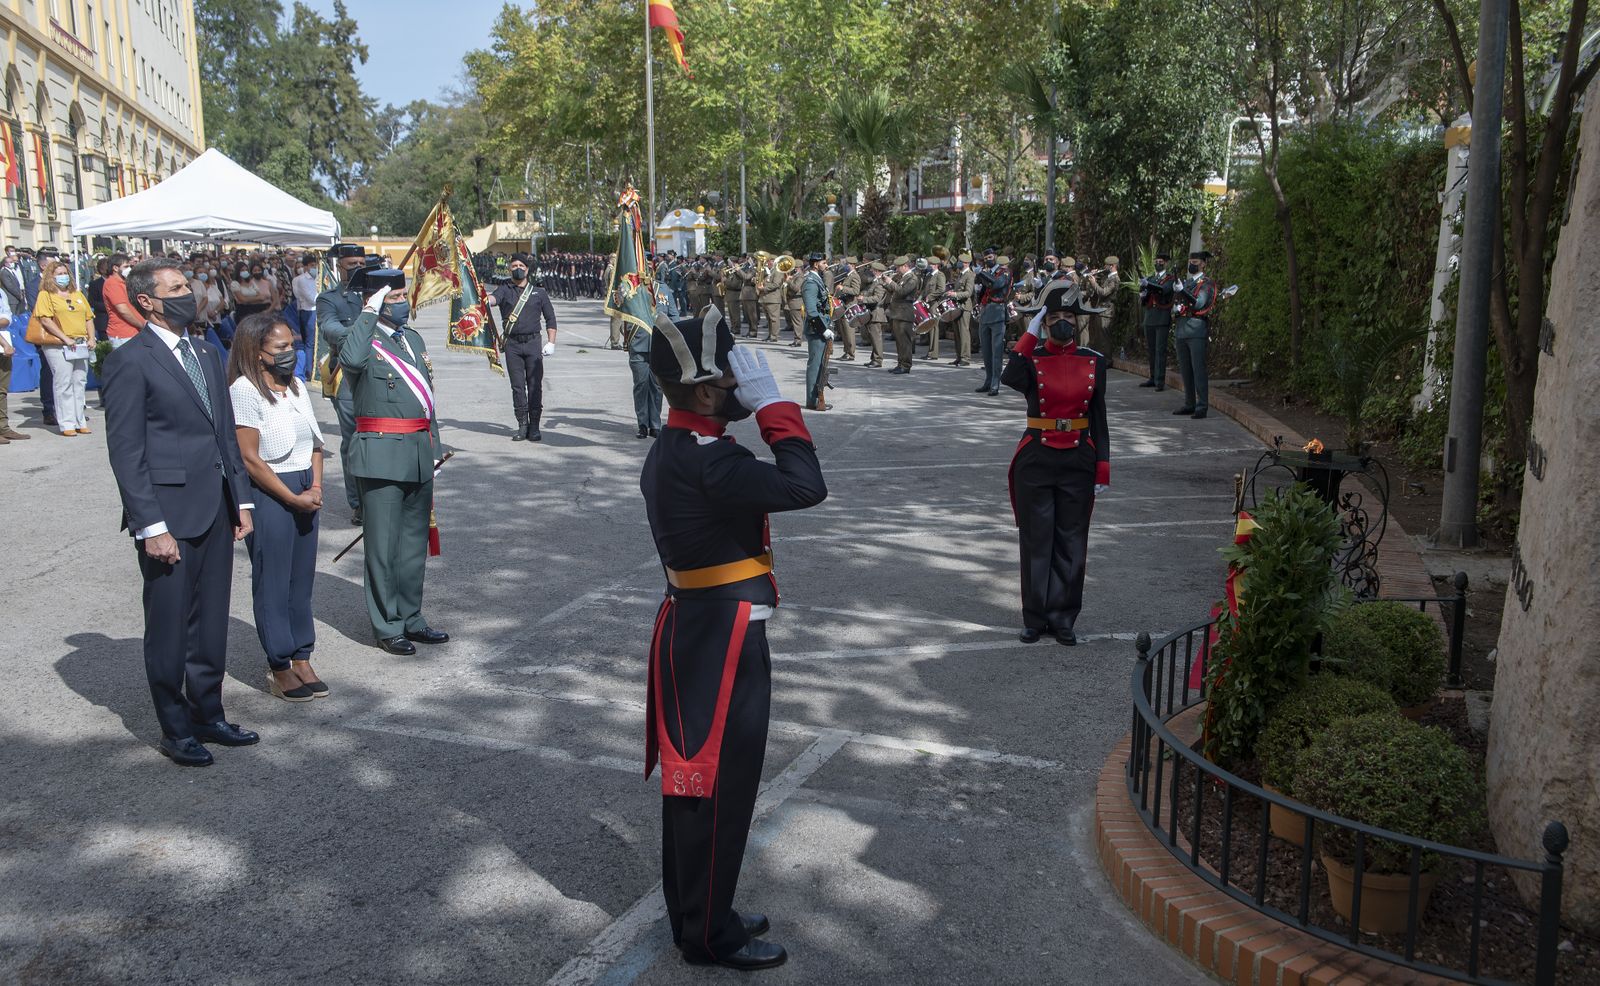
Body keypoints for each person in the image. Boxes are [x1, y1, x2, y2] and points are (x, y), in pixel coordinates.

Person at [642, 307, 827, 970]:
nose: (740, 383)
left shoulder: (679, 446)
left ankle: (700, 909)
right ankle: (707, 935)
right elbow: (807, 485)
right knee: (718, 787)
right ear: (705, 391)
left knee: (699, 789)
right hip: (720, 640)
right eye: (729, 374)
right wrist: (777, 406)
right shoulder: (711, 461)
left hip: (703, 628)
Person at [102, 258, 258, 766]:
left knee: (210, 621)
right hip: (168, 516)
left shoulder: (206, 351)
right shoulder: (131, 360)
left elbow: (225, 433)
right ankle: (175, 728)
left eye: (186, 285)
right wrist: (151, 526)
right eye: (175, 287)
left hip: (215, 506)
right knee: (170, 626)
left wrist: (242, 500)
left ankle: (208, 713)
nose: (187, 293)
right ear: (146, 300)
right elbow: (127, 453)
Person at [340, 277, 449, 656]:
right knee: (384, 547)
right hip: (381, 455)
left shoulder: (412, 339)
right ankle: (387, 625)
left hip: (418, 450)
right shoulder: (362, 338)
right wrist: (369, 310)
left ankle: (411, 617)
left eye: (403, 295)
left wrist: (434, 445)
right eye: (395, 297)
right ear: (378, 301)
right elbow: (351, 360)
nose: (403, 303)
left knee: (412, 544)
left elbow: (426, 398)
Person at [1001, 281, 1110, 646]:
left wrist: (1103, 466)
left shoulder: (1094, 360)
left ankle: (1063, 617)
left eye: (1068, 317)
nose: (1063, 323)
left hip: (1079, 455)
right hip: (1037, 456)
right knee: (1037, 539)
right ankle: (1034, 617)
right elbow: (1009, 378)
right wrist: (1028, 338)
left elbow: (1100, 418)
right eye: (1054, 318)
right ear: (1044, 324)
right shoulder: (1031, 360)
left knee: (1072, 539)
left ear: (1077, 322)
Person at [227, 313, 328, 702]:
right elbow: (250, 459)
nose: (291, 353)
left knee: (300, 580)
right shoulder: (244, 390)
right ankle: (280, 663)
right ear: (258, 352)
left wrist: (315, 485)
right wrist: (291, 498)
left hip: (305, 483)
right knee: (273, 581)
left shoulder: (296, 385)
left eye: (292, 344)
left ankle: (303, 655)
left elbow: (316, 444)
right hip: (272, 490)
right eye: (281, 348)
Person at [315, 243, 370, 524]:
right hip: (346, 374)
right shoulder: (329, 299)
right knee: (353, 439)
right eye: (352, 265)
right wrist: (363, 331)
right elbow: (329, 328)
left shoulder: (375, 292)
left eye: (361, 263)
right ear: (339, 267)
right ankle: (358, 502)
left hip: (379, 372)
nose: (358, 269)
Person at [487, 252, 558, 443]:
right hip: (513, 345)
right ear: (509, 269)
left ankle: (534, 426)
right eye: (514, 265)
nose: (517, 268)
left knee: (535, 386)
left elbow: (550, 319)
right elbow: (492, 300)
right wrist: (484, 298)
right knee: (518, 387)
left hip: (533, 343)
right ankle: (522, 425)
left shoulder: (539, 292)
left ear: (527, 269)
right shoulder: (504, 289)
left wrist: (551, 342)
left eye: (521, 265)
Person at [31, 261, 95, 436]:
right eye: (58, 273)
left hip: (80, 343)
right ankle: (67, 422)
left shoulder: (77, 294)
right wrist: (65, 338)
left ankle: (79, 419)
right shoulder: (45, 295)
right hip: (58, 345)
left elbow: (88, 317)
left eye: (64, 272)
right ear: (51, 276)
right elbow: (45, 319)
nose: (62, 276)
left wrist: (91, 337)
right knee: (63, 382)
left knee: (79, 381)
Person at [1172, 250, 1217, 419]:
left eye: (1196, 262)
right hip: (1182, 330)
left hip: (1196, 329)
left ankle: (1202, 406)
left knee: (1198, 370)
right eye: (1190, 261)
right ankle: (1189, 403)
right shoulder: (1187, 283)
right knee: (1185, 371)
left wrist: (1182, 291)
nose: (1192, 264)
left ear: (1203, 264)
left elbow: (1199, 303)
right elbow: (1177, 302)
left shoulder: (1206, 283)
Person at [975, 255, 1013, 396]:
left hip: (997, 312)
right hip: (985, 313)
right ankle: (988, 380)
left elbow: (997, 284)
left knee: (996, 352)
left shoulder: (1006, 273)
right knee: (986, 351)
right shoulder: (992, 273)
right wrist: (979, 276)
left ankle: (995, 383)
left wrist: (981, 273)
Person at [1138, 253, 1176, 390]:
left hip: (1162, 317)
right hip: (1150, 316)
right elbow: (1144, 299)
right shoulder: (1151, 278)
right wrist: (1142, 293)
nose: (1158, 263)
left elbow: (1164, 290)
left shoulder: (1170, 279)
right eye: (1157, 261)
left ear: (1165, 263)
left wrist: (1149, 285)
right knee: (1151, 350)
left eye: (1161, 262)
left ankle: (1160, 380)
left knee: (1160, 350)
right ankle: (1153, 377)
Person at [799, 253, 831, 411]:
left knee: (821, 365)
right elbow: (811, 311)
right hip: (816, 329)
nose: (826, 265)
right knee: (815, 365)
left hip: (821, 326)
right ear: (816, 264)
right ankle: (812, 400)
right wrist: (823, 329)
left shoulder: (817, 278)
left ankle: (818, 397)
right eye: (824, 263)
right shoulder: (811, 283)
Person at [941, 252, 975, 365]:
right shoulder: (961, 274)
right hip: (957, 306)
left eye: (961, 261)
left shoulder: (969, 275)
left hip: (965, 306)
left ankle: (965, 358)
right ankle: (959, 356)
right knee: (957, 333)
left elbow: (968, 293)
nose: (958, 263)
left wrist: (955, 294)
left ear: (966, 263)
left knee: (964, 332)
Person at [887, 256, 919, 375]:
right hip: (897, 312)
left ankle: (906, 365)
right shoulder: (902, 277)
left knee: (905, 341)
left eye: (899, 267)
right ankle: (900, 363)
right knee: (899, 341)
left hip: (905, 312)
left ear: (906, 266)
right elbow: (894, 291)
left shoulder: (912, 278)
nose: (897, 269)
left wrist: (891, 282)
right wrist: (886, 282)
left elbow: (902, 292)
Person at [290, 255, 320, 378]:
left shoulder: (318, 277)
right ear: (306, 266)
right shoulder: (301, 280)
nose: (315, 268)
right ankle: (309, 370)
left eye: (315, 265)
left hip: (316, 309)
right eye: (312, 265)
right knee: (310, 342)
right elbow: (311, 299)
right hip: (308, 311)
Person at [1085, 256, 1121, 353]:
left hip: (1107, 312)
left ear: (1112, 266)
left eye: (1106, 265)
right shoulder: (1108, 277)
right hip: (1101, 310)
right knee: (1099, 338)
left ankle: (1107, 360)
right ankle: (1102, 358)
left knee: (1105, 338)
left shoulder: (1114, 279)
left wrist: (1094, 283)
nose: (1104, 267)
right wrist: (1094, 277)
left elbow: (1103, 292)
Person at [0, 286, 19, 446]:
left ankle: (3, 427)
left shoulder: (1, 292)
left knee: (2, 390)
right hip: (3, 343)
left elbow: (7, 316)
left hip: (3, 345)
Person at [757, 258, 785, 343]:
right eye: (768, 261)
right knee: (769, 319)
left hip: (773, 299)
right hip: (766, 298)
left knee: (774, 319)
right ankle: (770, 335)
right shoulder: (769, 271)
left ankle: (774, 336)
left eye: (770, 261)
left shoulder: (778, 271)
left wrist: (764, 288)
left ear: (775, 262)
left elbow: (776, 284)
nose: (768, 263)